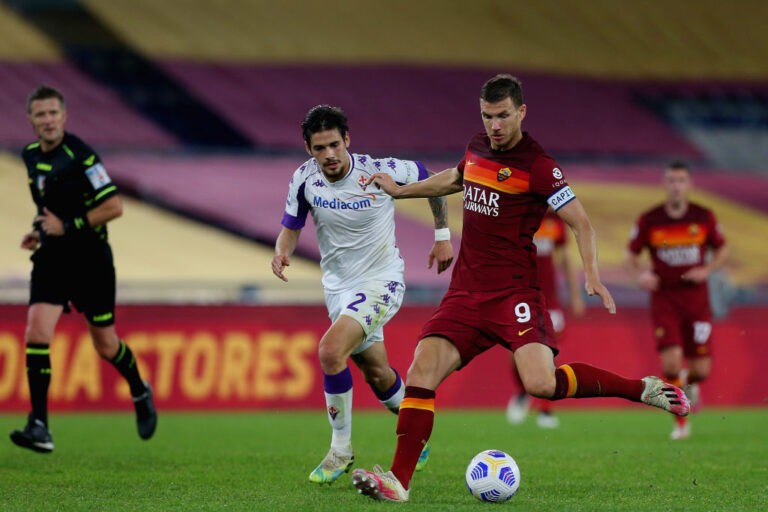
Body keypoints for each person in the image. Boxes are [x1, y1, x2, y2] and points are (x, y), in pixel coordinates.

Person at [350, 74, 690, 502]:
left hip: (515, 296)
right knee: (421, 369)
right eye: (488, 116)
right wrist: (400, 191)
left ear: (522, 113)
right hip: (465, 295)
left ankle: (641, 389)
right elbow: (455, 179)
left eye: (503, 116)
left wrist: (592, 275)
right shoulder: (476, 147)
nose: (495, 125)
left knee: (541, 384)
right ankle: (399, 483)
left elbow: (581, 223)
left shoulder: (539, 166)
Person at [271, 105, 453, 484]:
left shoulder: (378, 170)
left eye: (335, 144)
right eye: (320, 148)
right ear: (308, 148)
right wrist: (282, 250)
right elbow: (291, 225)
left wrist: (441, 236)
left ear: (347, 140)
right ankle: (416, 438)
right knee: (377, 373)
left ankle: (340, 450)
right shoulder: (304, 179)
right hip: (338, 290)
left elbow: (435, 180)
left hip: (381, 281)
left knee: (329, 351)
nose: (330, 155)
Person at [10, 85, 157, 454]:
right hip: (52, 259)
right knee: (36, 333)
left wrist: (68, 226)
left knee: (106, 346)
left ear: (64, 116)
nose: (47, 120)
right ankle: (40, 425)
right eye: (40, 114)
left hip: (90, 261)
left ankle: (139, 389)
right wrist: (41, 231)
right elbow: (50, 206)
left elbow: (114, 206)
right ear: (30, 120)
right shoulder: (29, 156)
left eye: (53, 113)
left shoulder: (82, 156)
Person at [625, 160, 728, 440]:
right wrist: (641, 274)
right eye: (671, 180)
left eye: (681, 180)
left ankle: (691, 385)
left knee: (700, 370)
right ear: (665, 184)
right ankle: (680, 423)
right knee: (671, 366)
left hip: (697, 302)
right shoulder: (650, 219)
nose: (676, 186)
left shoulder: (704, 217)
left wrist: (706, 269)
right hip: (665, 300)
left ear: (690, 185)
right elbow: (631, 254)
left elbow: (722, 249)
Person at [506, 209, 585, 428]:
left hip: (550, 300)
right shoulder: (517, 215)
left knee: (549, 353)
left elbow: (566, 257)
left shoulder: (556, 221)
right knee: (516, 353)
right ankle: (524, 390)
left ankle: (546, 410)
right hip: (521, 296)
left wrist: (576, 294)